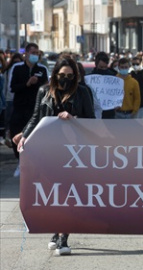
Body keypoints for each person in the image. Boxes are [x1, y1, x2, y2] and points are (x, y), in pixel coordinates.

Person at [15, 58, 95, 256]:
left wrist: (74, 118)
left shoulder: (82, 92)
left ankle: (63, 237)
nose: (66, 79)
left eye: (70, 76)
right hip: (49, 148)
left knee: (69, 192)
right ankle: (55, 230)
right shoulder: (44, 91)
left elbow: (92, 120)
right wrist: (24, 135)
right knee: (53, 193)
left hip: (74, 151)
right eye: (62, 75)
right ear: (55, 75)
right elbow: (36, 117)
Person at [9, 43, 48, 177]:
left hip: (35, 109)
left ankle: (32, 163)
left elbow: (47, 88)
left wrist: (36, 83)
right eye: (33, 52)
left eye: (37, 53)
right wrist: (27, 83)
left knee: (33, 136)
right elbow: (12, 87)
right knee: (16, 134)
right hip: (20, 107)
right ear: (26, 53)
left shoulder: (42, 69)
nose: (35, 55)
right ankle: (20, 161)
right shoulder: (17, 68)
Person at [2, 53, 23, 148]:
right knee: (8, 120)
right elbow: (6, 87)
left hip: (18, 99)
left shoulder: (22, 70)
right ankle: (8, 137)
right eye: (15, 62)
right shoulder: (7, 71)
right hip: (9, 99)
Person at [91, 51, 117, 119]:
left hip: (109, 112)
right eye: (101, 67)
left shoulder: (113, 76)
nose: (103, 69)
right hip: (94, 112)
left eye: (105, 67)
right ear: (96, 65)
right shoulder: (90, 78)